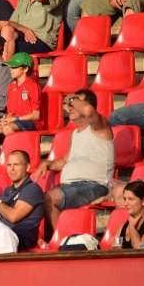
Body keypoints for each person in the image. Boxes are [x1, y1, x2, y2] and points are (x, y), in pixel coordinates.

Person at [34, 89, 114, 237]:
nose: (71, 106)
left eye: (77, 101)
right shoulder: (74, 134)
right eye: (71, 103)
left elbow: (88, 110)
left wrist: (71, 99)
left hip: (93, 186)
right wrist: (47, 164)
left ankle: (66, 242)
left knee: (47, 198)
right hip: (72, 187)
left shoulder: (100, 126)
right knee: (30, 200)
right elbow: (65, 160)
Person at [0, 52, 42, 159]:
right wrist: (6, 119)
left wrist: (13, 119)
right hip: (14, 121)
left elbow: (36, 115)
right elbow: (10, 112)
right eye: (10, 67)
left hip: (31, 123)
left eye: (14, 67)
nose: (10, 69)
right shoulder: (11, 87)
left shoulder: (33, 86)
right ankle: (1, 161)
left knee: (7, 128)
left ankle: (19, 159)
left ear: (25, 69)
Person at [0, 150, 44, 250]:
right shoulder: (8, 190)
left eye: (16, 164)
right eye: (9, 165)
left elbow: (13, 216)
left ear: (27, 167)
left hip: (19, 238)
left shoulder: (33, 189)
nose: (12, 169)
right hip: (2, 235)